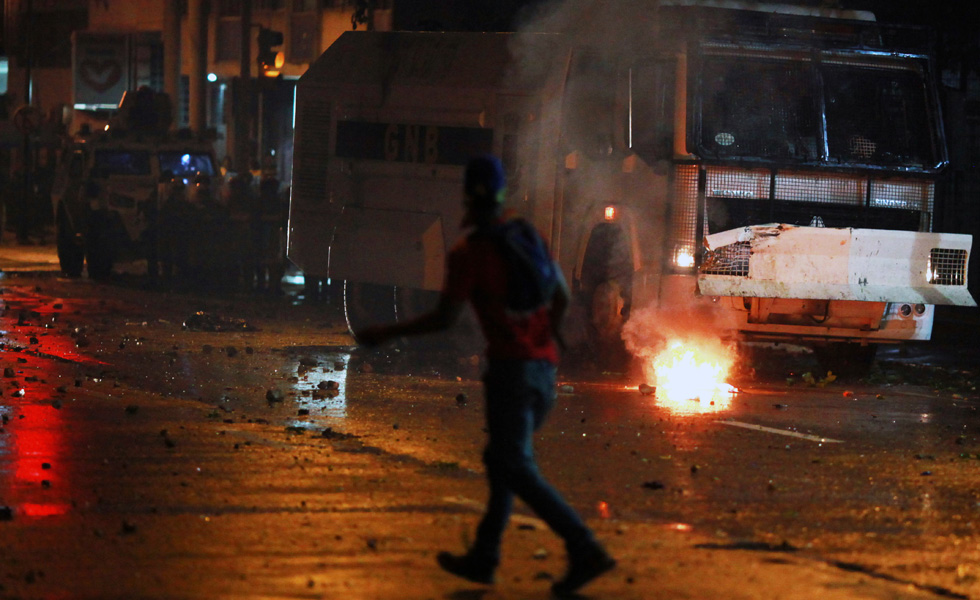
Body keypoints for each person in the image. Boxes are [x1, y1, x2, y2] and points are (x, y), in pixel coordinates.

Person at [358, 155, 615, 595]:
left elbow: (442, 318)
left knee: (514, 466)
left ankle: (583, 546)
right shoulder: (527, 235)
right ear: (501, 192)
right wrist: (551, 334)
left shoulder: (470, 250)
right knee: (503, 463)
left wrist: (386, 332)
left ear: (466, 193)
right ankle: (484, 556)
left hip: (511, 374)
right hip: (543, 370)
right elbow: (562, 292)